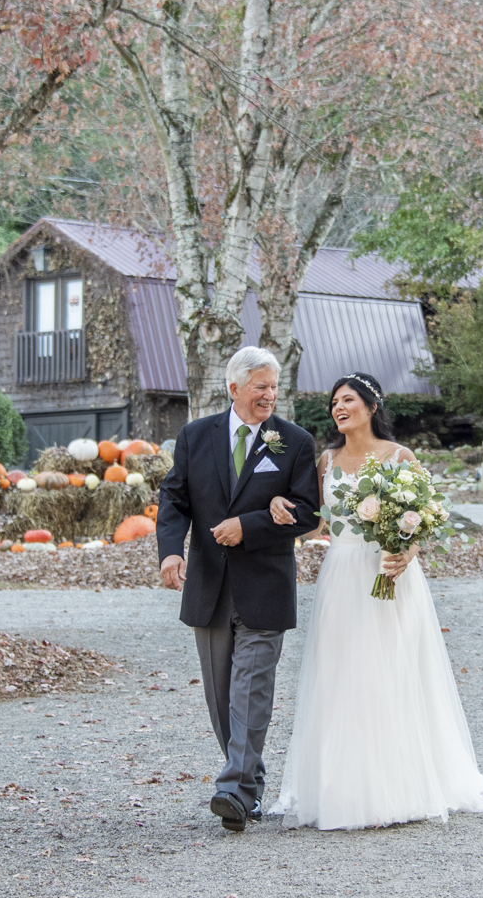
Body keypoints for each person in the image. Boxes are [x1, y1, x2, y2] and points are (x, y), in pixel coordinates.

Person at [266, 371, 483, 830]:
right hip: (341, 576)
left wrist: (405, 552)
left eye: (348, 399)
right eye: (334, 402)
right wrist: (277, 504)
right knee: (340, 674)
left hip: (389, 575)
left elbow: (421, 519)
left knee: (388, 671)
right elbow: (315, 523)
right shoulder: (326, 461)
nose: (338, 407)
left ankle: (397, 784)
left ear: (371, 406)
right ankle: (342, 786)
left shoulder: (399, 456)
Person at [156, 346, 320, 832]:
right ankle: (248, 786)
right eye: (261, 387)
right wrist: (171, 551)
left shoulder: (295, 442)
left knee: (250, 688)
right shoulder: (194, 436)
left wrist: (249, 525)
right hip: (208, 586)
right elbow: (175, 497)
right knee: (222, 696)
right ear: (234, 388)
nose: (270, 395)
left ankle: (231, 788)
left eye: (274, 387)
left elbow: (308, 513)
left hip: (265, 586)